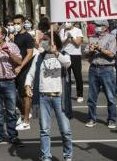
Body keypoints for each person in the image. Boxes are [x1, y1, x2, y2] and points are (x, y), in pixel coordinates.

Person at [25, 26, 73, 161]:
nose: (43, 42)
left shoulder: (63, 53)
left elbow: (67, 64)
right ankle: (46, 156)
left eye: (46, 40)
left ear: (54, 41)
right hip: (43, 97)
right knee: (44, 130)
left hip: (59, 97)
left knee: (65, 130)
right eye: (43, 40)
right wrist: (28, 84)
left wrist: (56, 53)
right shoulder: (39, 56)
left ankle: (68, 156)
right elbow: (31, 72)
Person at [85, 20, 117, 129]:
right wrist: (90, 51)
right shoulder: (91, 38)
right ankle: (91, 118)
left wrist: (99, 48)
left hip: (107, 69)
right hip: (94, 68)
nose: (96, 27)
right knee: (91, 96)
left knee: (110, 96)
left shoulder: (111, 37)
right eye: (96, 25)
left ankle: (112, 119)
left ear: (105, 27)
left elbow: (112, 54)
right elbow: (85, 54)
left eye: (99, 25)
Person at [11, 14, 35, 131]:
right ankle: (23, 113)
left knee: (25, 94)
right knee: (12, 93)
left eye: (18, 23)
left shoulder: (28, 37)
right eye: (14, 24)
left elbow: (30, 54)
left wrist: (21, 66)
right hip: (15, 69)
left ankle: (26, 121)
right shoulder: (14, 37)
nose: (16, 26)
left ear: (23, 23)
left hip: (25, 69)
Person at [60, 22, 85, 103]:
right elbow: (61, 43)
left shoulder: (78, 30)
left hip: (75, 55)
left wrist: (71, 37)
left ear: (72, 23)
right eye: (66, 22)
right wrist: (67, 38)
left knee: (78, 75)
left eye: (69, 22)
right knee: (67, 77)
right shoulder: (62, 30)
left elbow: (78, 43)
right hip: (65, 55)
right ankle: (67, 94)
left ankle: (80, 95)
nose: (67, 23)